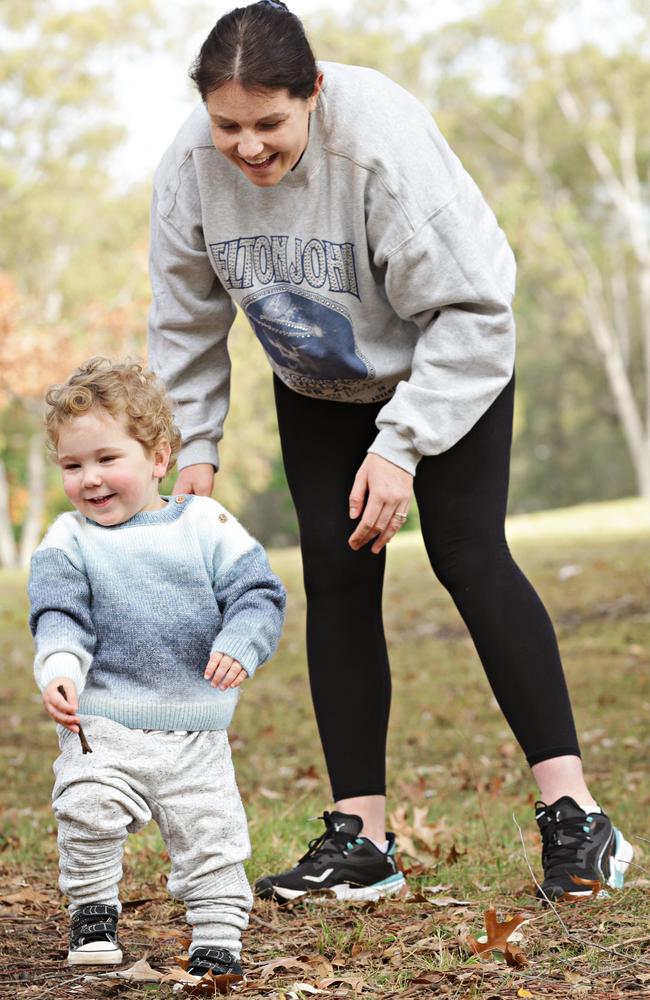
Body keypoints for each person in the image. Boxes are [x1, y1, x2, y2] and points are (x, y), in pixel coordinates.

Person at [148, 0, 633, 903]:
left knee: (469, 554)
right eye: (227, 125)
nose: (247, 146)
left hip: (445, 356)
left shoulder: (377, 145)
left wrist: (403, 446)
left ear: (315, 93)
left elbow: (479, 312)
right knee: (334, 574)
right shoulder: (188, 168)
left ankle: (579, 820)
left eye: (270, 124)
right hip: (320, 381)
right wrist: (196, 457)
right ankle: (361, 840)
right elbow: (184, 322)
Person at [28, 357, 285, 975]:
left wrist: (241, 642)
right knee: (85, 806)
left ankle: (218, 939)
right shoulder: (69, 539)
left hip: (194, 726)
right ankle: (92, 913)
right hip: (103, 721)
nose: (90, 479)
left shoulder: (205, 524)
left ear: (159, 457)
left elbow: (259, 594)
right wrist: (59, 668)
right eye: (72, 465)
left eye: (106, 459)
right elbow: (59, 612)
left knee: (211, 836)